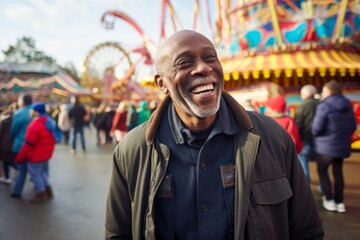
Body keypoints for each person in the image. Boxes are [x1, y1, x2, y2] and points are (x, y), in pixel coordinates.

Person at [105, 30, 323, 239]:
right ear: (162, 83)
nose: (203, 68)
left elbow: (306, 229)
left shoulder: (272, 137)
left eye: (210, 57)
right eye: (184, 62)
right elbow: (119, 233)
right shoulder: (132, 150)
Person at [312, 80, 356, 213]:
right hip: (342, 145)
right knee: (338, 173)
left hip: (326, 146)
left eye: (324, 91)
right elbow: (353, 126)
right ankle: (340, 201)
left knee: (322, 171)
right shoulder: (347, 105)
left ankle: (329, 199)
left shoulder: (324, 106)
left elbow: (316, 128)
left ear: (329, 92)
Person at [16, 102, 56, 203]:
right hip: (45, 154)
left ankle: (41, 193)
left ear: (36, 112)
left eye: (32, 110)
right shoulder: (48, 121)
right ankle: (48, 190)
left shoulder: (36, 124)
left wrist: (20, 157)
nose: (30, 112)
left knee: (35, 174)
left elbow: (28, 143)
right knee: (41, 172)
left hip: (36, 155)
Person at [294, 85, 319, 183]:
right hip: (320, 139)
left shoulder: (302, 106)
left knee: (303, 161)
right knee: (321, 164)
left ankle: (306, 184)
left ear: (304, 94)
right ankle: (323, 186)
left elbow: (297, 123)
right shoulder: (321, 104)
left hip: (305, 138)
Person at [10, 94, 33, 198]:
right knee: (37, 168)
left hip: (21, 145)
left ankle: (17, 191)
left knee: (22, 170)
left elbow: (13, 130)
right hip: (34, 145)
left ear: (22, 102)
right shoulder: (35, 112)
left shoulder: (19, 113)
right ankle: (41, 187)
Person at [0, 104, 18, 184]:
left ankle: (8, 176)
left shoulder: (4, 122)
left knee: (7, 161)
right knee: (7, 161)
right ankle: (7, 177)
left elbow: (1, 134)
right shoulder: (15, 121)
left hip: (4, 145)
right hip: (12, 144)